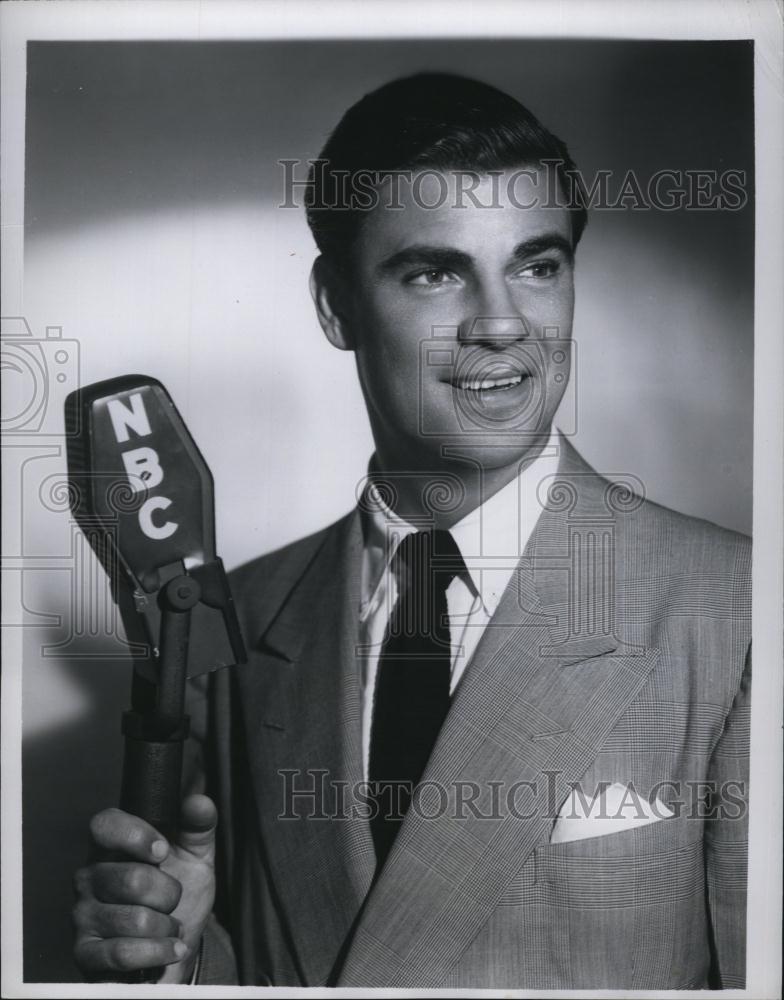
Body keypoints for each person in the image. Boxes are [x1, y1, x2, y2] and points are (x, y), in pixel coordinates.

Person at [72, 73, 750, 989]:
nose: (503, 323)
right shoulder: (248, 624)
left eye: (537, 265)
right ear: (336, 305)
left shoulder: (735, 611)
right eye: (435, 272)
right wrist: (185, 965)